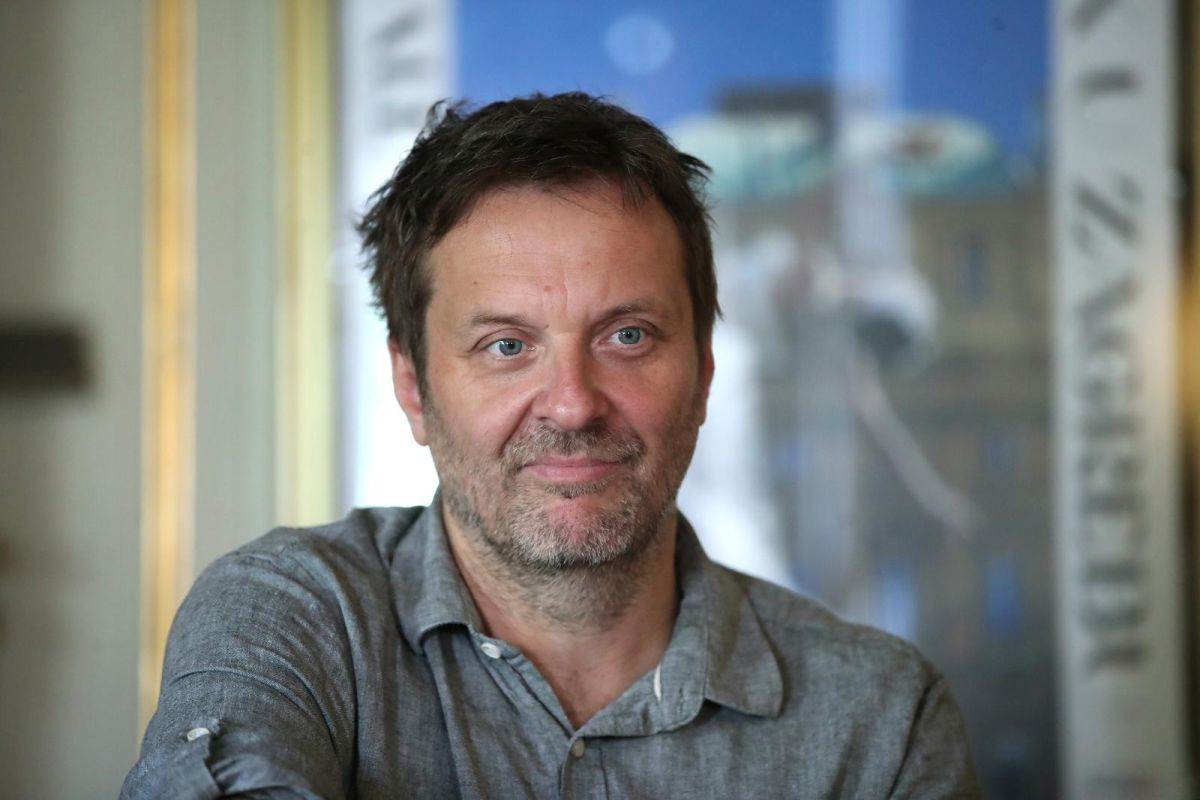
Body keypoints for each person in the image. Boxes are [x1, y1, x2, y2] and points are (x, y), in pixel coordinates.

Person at [122, 92, 980, 799]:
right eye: (506, 346)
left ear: (705, 372)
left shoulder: (880, 719)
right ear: (413, 387)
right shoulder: (295, 619)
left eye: (628, 337)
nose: (572, 405)